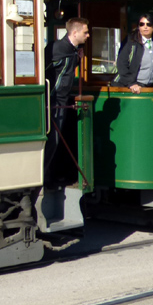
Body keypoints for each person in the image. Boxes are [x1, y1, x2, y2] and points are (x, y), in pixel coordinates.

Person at [44, 17, 90, 184]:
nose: (88, 35)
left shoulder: (72, 51)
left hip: (62, 101)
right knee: (52, 140)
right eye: (85, 32)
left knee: (57, 141)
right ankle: (45, 178)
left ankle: (51, 175)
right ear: (75, 32)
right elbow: (43, 69)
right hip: (54, 102)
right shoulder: (57, 48)